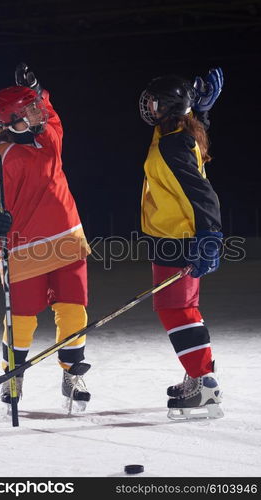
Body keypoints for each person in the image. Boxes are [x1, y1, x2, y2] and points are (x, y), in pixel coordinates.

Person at [0, 63, 91, 412]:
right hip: (23, 248)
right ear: (11, 120)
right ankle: (14, 376)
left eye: (36, 108)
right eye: (29, 111)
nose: (38, 114)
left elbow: (52, 113)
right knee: (22, 318)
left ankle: (73, 373)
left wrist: (38, 87)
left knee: (73, 310)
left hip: (68, 239)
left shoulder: (49, 139)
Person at [139, 67, 224, 420]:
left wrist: (210, 235)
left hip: (180, 236)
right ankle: (196, 374)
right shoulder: (174, 132)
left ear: (172, 107)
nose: (150, 108)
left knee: (177, 309)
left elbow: (202, 191)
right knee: (177, 306)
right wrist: (199, 112)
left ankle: (204, 383)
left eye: (156, 103)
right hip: (169, 233)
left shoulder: (174, 141)